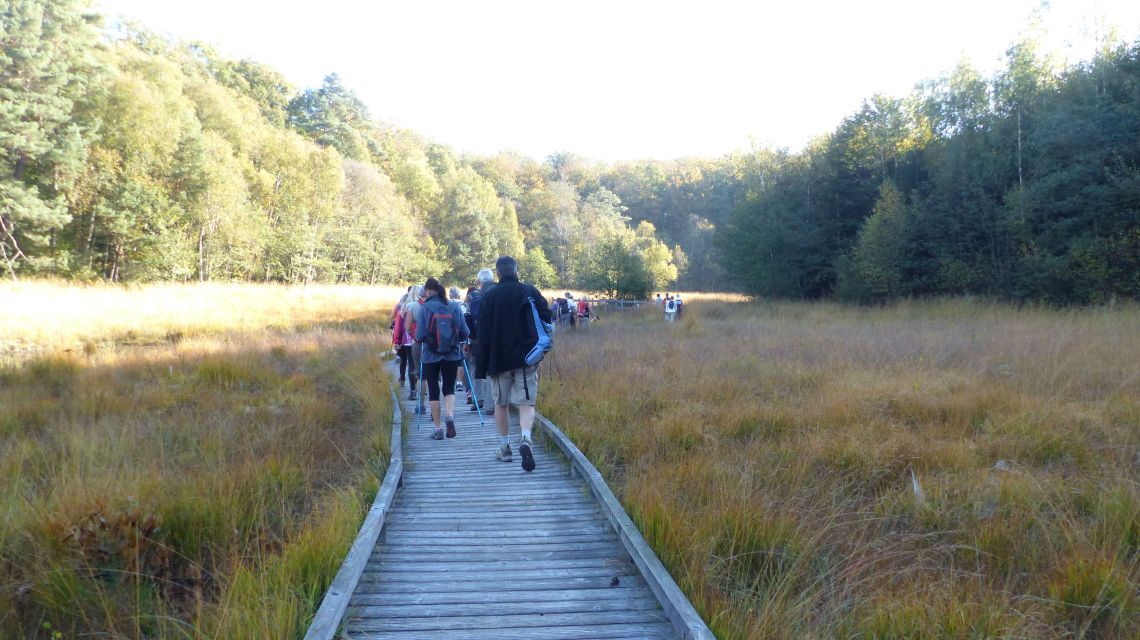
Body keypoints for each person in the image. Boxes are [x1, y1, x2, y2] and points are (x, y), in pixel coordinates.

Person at [476, 255, 553, 472]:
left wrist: (482, 366)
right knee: (526, 403)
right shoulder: (529, 291)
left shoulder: (490, 296)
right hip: (527, 357)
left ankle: (505, 447)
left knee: (500, 404)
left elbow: (483, 333)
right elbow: (547, 316)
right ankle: (526, 439)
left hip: (499, 359)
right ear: (516, 269)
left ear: (498, 273)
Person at [416, 277, 470, 440]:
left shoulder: (424, 308)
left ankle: (438, 429)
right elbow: (465, 332)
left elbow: (419, 336)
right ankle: (450, 415)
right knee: (449, 387)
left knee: (433, 390)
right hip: (452, 354)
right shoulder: (454, 306)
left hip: (430, 355)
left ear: (427, 291)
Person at [464, 268, 494, 414]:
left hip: (476, 340)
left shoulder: (473, 296)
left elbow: (468, 319)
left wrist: (468, 341)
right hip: (494, 338)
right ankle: (491, 403)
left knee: (475, 367)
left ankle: (478, 399)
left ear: (479, 281)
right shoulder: (497, 292)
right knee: (491, 369)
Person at [402, 284, 425, 402]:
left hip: (409, 340)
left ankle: (412, 390)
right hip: (422, 340)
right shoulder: (424, 306)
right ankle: (423, 391)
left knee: (411, 365)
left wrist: (397, 340)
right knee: (424, 366)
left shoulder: (406, 305)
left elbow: (403, 326)